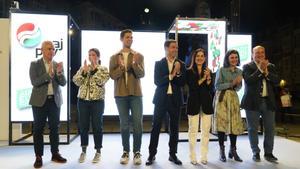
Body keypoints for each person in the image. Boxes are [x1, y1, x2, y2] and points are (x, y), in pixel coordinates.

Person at [145, 39, 186, 166]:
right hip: (161, 100)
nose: (175, 50)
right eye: (173, 47)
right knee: (156, 127)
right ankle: (152, 155)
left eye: (176, 48)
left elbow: (182, 83)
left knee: (174, 128)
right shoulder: (159, 63)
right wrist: (172, 74)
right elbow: (157, 81)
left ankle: (172, 154)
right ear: (166, 48)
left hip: (175, 100)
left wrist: (178, 72)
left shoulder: (181, 64)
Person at [109, 29, 144, 165]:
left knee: (138, 124)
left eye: (131, 37)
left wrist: (135, 64)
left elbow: (141, 74)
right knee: (124, 125)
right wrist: (121, 68)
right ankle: (125, 151)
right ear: (122, 39)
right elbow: (112, 75)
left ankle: (137, 152)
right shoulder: (114, 57)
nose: (130, 39)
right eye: (127, 37)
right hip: (120, 95)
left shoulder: (138, 56)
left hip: (136, 94)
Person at [29, 41, 67, 168]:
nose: (52, 51)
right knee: (38, 129)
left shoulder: (57, 65)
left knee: (54, 129)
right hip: (40, 102)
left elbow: (63, 83)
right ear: (42, 50)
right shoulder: (35, 64)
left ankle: (55, 153)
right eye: (49, 48)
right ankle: (38, 156)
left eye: (53, 49)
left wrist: (60, 73)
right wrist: (48, 75)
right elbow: (34, 82)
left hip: (54, 101)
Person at [241, 45, 280, 162]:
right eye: (257, 53)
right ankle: (255, 152)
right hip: (252, 103)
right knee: (252, 128)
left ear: (265, 54)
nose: (260, 55)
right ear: (253, 54)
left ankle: (268, 153)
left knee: (270, 129)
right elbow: (249, 80)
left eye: (262, 53)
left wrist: (267, 72)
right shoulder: (247, 66)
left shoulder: (271, 66)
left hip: (268, 102)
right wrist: (260, 70)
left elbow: (277, 81)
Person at [73, 48, 109, 163]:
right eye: (89, 55)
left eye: (93, 55)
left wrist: (94, 71)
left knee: (97, 126)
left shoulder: (103, 69)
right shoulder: (84, 68)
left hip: (97, 101)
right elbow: (76, 81)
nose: (91, 57)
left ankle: (98, 152)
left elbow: (101, 82)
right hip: (83, 101)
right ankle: (83, 151)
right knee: (83, 126)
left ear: (98, 57)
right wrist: (84, 72)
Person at [213, 49, 244, 162]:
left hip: (233, 98)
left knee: (233, 124)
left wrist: (237, 84)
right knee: (222, 124)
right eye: (232, 57)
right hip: (222, 98)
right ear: (227, 58)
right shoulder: (221, 70)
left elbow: (239, 88)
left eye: (236, 57)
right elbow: (217, 86)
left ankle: (233, 150)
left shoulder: (240, 71)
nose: (234, 59)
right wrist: (232, 83)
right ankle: (222, 151)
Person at [186, 48, 213, 165]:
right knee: (192, 132)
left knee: (205, 132)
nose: (200, 58)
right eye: (198, 56)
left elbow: (210, 88)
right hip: (193, 103)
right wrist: (203, 78)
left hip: (206, 104)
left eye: (202, 56)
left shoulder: (208, 71)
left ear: (205, 58)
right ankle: (192, 156)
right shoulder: (189, 71)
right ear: (194, 58)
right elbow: (193, 87)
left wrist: (208, 78)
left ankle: (204, 156)